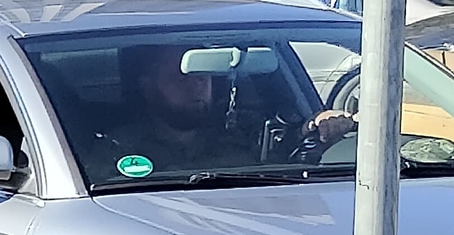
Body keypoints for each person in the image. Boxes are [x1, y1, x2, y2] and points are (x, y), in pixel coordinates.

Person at [106, 41, 354, 175]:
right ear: (148, 88)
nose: (197, 86)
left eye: (204, 76)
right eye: (181, 78)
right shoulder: (117, 147)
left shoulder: (242, 131)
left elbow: (289, 143)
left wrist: (318, 124)